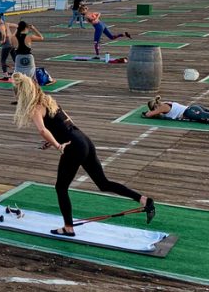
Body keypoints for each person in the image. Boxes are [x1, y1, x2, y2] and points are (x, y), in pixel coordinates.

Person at [12, 73, 153, 237]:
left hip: (73, 147)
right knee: (103, 183)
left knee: (61, 187)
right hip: (84, 140)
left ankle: (68, 228)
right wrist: (54, 141)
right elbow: (65, 123)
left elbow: (43, 130)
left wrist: (57, 145)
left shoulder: (35, 108)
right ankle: (143, 200)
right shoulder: (49, 101)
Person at [0, 14, 18, 78]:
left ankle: (5, 74)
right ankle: (18, 71)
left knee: (3, 60)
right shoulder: (7, 24)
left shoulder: (0, 26)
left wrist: (3, 41)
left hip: (6, 45)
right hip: (11, 44)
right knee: (15, 59)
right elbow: (17, 26)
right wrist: (13, 35)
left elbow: (4, 35)